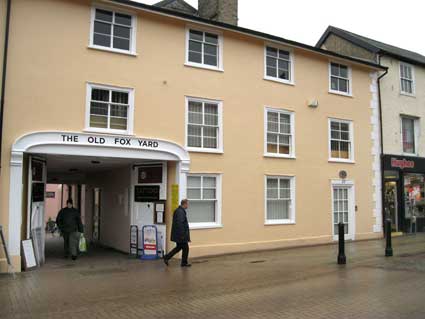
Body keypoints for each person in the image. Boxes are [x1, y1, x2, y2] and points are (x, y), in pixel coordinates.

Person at [163, 199, 191, 267]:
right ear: (184, 204)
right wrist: (183, 235)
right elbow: (180, 224)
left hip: (179, 234)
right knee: (185, 248)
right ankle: (183, 263)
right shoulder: (180, 212)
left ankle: (167, 257)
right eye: (187, 204)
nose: (188, 205)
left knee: (179, 247)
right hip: (180, 235)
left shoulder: (180, 211)